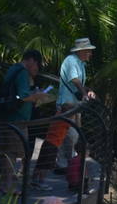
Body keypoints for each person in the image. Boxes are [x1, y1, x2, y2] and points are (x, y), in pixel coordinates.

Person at [34, 37, 96, 180]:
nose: (90, 54)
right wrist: (85, 94)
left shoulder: (80, 64)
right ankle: (41, 176)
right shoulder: (71, 61)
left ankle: (67, 168)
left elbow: (79, 83)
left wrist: (88, 91)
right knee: (54, 140)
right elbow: (75, 81)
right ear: (82, 51)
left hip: (73, 106)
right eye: (88, 51)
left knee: (69, 137)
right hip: (67, 106)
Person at [0, 49, 53, 190]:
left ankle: (4, 184)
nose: (37, 68)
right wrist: (38, 96)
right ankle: (8, 186)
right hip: (17, 120)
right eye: (37, 64)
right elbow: (23, 96)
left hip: (8, 116)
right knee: (12, 153)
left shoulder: (13, 68)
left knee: (7, 152)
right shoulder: (22, 73)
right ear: (32, 60)